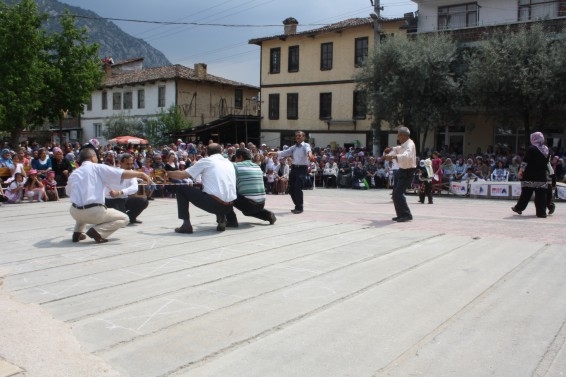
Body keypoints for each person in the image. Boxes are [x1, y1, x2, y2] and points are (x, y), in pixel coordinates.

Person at [66, 148, 151, 243]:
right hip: (93, 212)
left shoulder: (74, 173)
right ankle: (97, 232)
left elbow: (68, 192)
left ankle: (77, 233)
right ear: (93, 157)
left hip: (74, 212)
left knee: (82, 207)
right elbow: (122, 174)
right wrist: (141, 174)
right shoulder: (98, 167)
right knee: (125, 218)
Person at [165, 143, 237, 233]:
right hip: (229, 207)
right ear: (221, 151)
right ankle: (222, 217)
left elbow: (182, 175)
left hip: (214, 204)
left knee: (181, 188)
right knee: (217, 189)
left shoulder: (207, 161)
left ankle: (186, 224)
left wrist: (168, 173)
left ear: (207, 152)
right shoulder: (228, 162)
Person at [225, 148, 277, 227]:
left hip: (248, 204)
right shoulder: (257, 166)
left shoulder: (235, 166)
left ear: (241, 157)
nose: (235, 160)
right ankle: (267, 215)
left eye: (236, 158)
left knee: (225, 192)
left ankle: (231, 220)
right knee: (247, 211)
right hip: (261, 203)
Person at [269, 130, 315, 214]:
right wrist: (273, 153)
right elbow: (285, 152)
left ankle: (300, 207)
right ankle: (297, 206)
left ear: (303, 137)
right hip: (294, 168)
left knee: (297, 187)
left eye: (300, 135)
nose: (297, 137)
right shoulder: (294, 147)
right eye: (296, 136)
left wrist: (310, 155)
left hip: (302, 169)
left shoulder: (306, 145)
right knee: (291, 190)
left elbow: (309, 151)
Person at [511, 132, 550, 218]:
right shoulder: (547, 149)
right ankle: (541, 213)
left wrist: (521, 171)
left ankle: (519, 208)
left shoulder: (531, 148)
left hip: (529, 175)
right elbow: (547, 163)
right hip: (541, 176)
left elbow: (525, 161)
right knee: (541, 196)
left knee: (526, 194)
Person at [104, 153, 149, 225]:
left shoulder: (131, 172)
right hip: (112, 200)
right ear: (120, 163)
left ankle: (131, 218)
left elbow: (134, 188)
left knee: (143, 201)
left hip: (123, 198)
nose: (130, 166)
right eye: (127, 164)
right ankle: (122, 218)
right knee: (121, 221)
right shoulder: (113, 172)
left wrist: (120, 192)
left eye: (131, 164)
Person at [384, 127, 417, 222]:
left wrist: (393, 156)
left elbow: (406, 155)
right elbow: (399, 148)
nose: (398, 137)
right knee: (395, 194)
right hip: (402, 170)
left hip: (408, 171)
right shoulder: (404, 144)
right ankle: (401, 214)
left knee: (398, 193)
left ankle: (406, 215)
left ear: (403, 135)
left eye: (399, 135)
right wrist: (391, 149)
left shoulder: (410, 145)